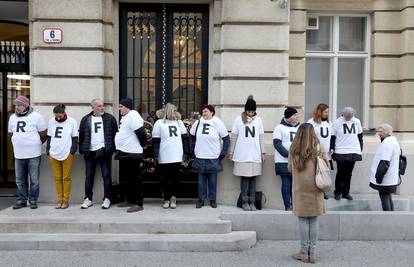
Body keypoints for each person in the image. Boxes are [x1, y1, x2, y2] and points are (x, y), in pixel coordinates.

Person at [288, 123, 328, 264]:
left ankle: (304, 252)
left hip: (300, 189)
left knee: (303, 220)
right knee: (314, 219)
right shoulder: (318, 147)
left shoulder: (294, 149)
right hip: (316, 187)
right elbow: (327, 165)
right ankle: (313, 252)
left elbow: (289, 169)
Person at [8, 96, 47, 209]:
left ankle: (33, 200)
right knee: (20, 180)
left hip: (33, 154)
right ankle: (21, 200)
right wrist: (17, 143)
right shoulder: (12, 118)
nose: (17, 107)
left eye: (19, 105)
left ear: (26, 106)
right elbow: (10, 133)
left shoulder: (36, 117)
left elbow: (44, 134)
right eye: (16, 105)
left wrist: (36, 143)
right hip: (19, 154)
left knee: (34, 180)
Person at [78, 98, 118, 209]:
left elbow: (115, 135)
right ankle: (88, 199)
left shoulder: (110, 119)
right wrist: (83, 150)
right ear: (93, 107)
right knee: (89, 176)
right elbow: (81, 135)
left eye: (102, 105)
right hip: (90, 152)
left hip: (104, 152)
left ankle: (107, 198)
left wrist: (111, 150)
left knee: (106, 176)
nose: (102, 107)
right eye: (99, 106)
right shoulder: (86, 119)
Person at [229, 95, 266, 211]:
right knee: (244, 179)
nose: (251, 113)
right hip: (242, 154)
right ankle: (244, 202)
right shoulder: (238, 119)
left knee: (253, 179)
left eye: (253, 111)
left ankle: (252, 202)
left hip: (255, 154)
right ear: (245, 110)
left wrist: (263, 152)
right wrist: (231, 152)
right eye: (249, 111)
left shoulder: (258, 120)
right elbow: (234, 136)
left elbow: (261, 137)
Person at [190, 104, 229, 208]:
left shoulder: (217, 122)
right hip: (200, 156)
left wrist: (223, 152)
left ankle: (212, 200)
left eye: (206, 111)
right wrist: (191, 150)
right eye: (203, 111)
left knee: (212, 180)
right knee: (201, 181)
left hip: (213, 156)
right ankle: (201, 200)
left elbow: (226, 138)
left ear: (212, 112)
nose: (204, 113)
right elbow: (191, 137)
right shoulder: (198, 123)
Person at [152, 103, 189, 209]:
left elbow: (184, 139)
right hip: (164, 155)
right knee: (165, 178)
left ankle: (173, 197)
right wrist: (155, 155)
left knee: (175, 178)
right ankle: (166, 198)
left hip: (177, 155)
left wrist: (186, 153)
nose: (175, 112)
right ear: (168, 111)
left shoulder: (179, 122)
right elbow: (155, 141)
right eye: (173, 110)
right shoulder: (159, 123)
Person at [115, 98, 147, 213]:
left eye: (121, 107)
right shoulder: (126, 117)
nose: (119, 109)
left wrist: (142, 145)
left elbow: (141, 133)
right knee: (127, 179)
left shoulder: (133, 116)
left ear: (127, 107)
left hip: (133, 153)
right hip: (124, 152)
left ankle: (138, 203)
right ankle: (129, 199)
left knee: (135, 179)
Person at [46, 104, 78, 209]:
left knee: (66, 178)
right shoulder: (51, 121)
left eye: (60, 115)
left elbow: (74, 138)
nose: (58, 118)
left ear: (64, 113)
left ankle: (65, 201)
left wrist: (72, 152)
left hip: (66, 154)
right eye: (56, 115)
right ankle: (59, 200)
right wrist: (48, 151)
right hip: (54, 154)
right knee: (57, 178)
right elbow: (49, 137)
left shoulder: (72, 121)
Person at [330, 107, 363, 201]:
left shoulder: (356, 121)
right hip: (341, 150)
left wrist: (360, 148)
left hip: (353, 150)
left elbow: (360, 136)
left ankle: (346, 192)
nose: (348, 118)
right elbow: (333, 136)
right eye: (347, 116)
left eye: (350, 116)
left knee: (349, 173)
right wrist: (332, 148)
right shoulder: (337, 122)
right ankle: (337, 192)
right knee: (340, 172)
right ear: (342, 114)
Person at [273, 107, 300, 211]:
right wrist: (288, 155)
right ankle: (287, 206)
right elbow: (277, 144)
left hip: (297, 160)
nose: (297, 117)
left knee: (296, 184)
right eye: (294, 115)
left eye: (297, 115)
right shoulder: (279, 128)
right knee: (286, 182)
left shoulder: (300, 128)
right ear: (288, 116)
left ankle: (295, 205)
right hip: (283, 161)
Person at [369, 124, 400, 211]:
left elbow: (384, 162)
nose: (379, 133)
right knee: (388, 197)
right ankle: (391, 216)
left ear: (387, 132)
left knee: (384, 197)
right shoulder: (392, 141)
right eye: (379, 131)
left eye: (381, 131)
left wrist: (379, 177)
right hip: (389, 176)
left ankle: (388, 217)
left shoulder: (387, 143)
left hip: (385, 177)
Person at [308, 103, 332, 199]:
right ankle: (315, 191)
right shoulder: (311, 122)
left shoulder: (329, 123)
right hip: (316, 153)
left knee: (325, 172)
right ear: (320, 112)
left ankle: (323, 191)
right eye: (325, 112)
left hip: (326, 153)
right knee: (315, 172)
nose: (327, 114)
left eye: (327, 112)